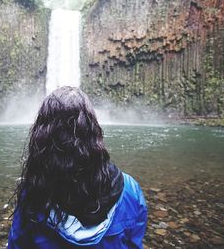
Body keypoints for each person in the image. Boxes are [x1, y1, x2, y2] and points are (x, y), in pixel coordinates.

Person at [8, 86, 147, 248]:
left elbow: (17, 244)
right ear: (93, 130)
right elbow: (135, 243)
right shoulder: (130, 189)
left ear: (43, 136)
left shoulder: (34, 193)